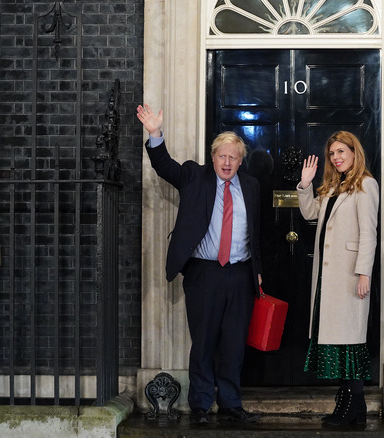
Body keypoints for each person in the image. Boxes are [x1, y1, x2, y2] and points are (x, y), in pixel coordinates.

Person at [137, 104, 263, 425]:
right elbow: (165, 167)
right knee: (204, 341)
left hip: (240, 275)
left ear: (240, 160)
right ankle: (201, 405)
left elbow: (258, 232)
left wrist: (257, 270)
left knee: (234, 344)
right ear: (213, 156)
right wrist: (155, 134)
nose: (227, 162)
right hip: (204, 273)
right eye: (222, 155)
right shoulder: (195, 176)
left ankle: (231, 403)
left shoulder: (251, 186)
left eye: (233, 157)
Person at [296, 131, 379, 427]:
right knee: (340, 345)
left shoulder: (366, 185)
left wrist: (363, 273)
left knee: (350, 344)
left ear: (355, 153)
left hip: (349, 277)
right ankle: (349, 407)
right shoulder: (332, 187)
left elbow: (369, 234)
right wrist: (305, 184)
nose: (337, 158)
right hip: (326, 278)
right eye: (333, 154)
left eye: (342, 152)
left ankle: (351, 407)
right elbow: (310, 215)